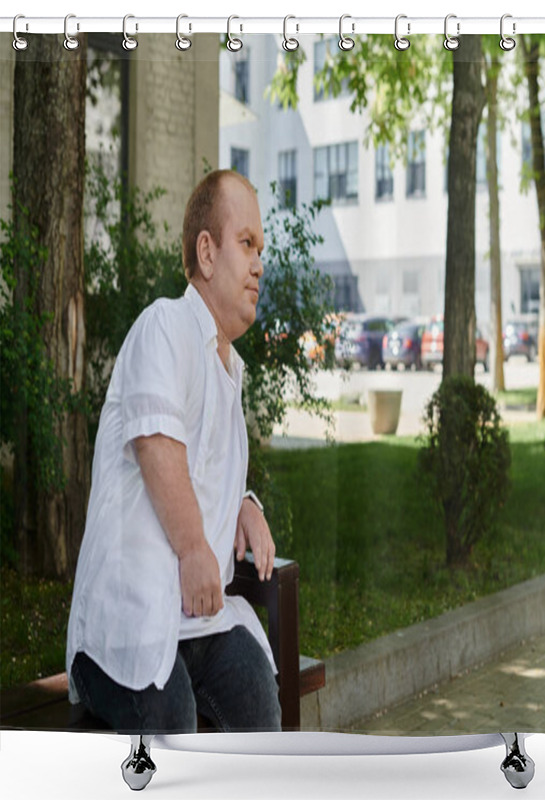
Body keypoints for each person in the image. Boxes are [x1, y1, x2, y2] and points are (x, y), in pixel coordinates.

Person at [66, 170, 281, 733]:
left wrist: (243, 502)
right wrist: (193, 549)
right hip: (129, 627)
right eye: (247, 244)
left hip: (200, 625)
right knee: (173, 720)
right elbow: (156, 443)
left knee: (257, 693)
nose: (259, 264)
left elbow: (206, 466)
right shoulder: (162, 326)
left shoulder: (229, 370)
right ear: (206, 254)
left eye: (261, 249)